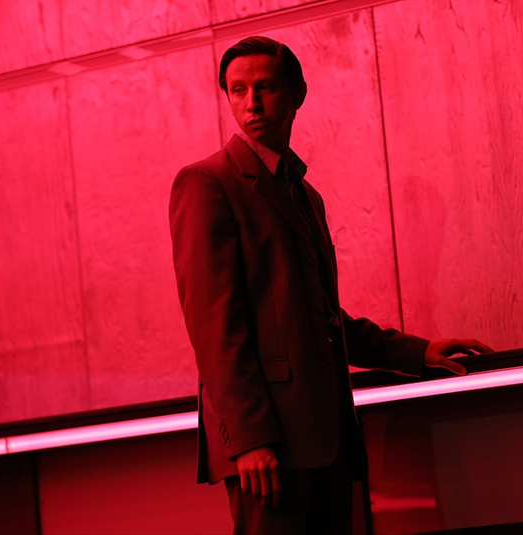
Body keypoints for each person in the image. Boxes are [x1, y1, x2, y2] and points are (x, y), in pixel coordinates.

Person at [169, 35, 492, 534]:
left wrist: (419, 352)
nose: (251, 103)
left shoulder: (305, 195)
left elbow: (318, 318)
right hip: (267, 445)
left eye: (265, 87)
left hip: (326, 438)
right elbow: (214, 330)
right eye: (237, 90)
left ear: (297, 93)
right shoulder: (207, 183)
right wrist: (250, 439)